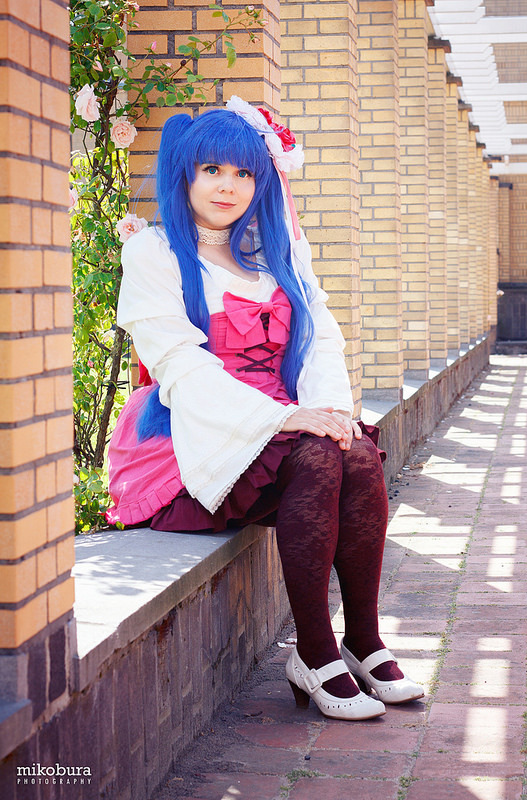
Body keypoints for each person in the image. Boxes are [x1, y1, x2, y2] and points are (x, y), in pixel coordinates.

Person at [106, 97, 424, 720]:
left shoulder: (272, 255)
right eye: (212, 170)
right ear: (185, 175)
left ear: (261, 182)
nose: (228, 186)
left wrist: (328, 410)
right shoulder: (155, 253)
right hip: (196, 430)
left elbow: (320, 336)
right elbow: (178, 364)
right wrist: (282, 418)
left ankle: (363, 641)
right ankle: (314, 652)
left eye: (244, 173)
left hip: (279, 427)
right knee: (318, 454)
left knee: (356, 452)